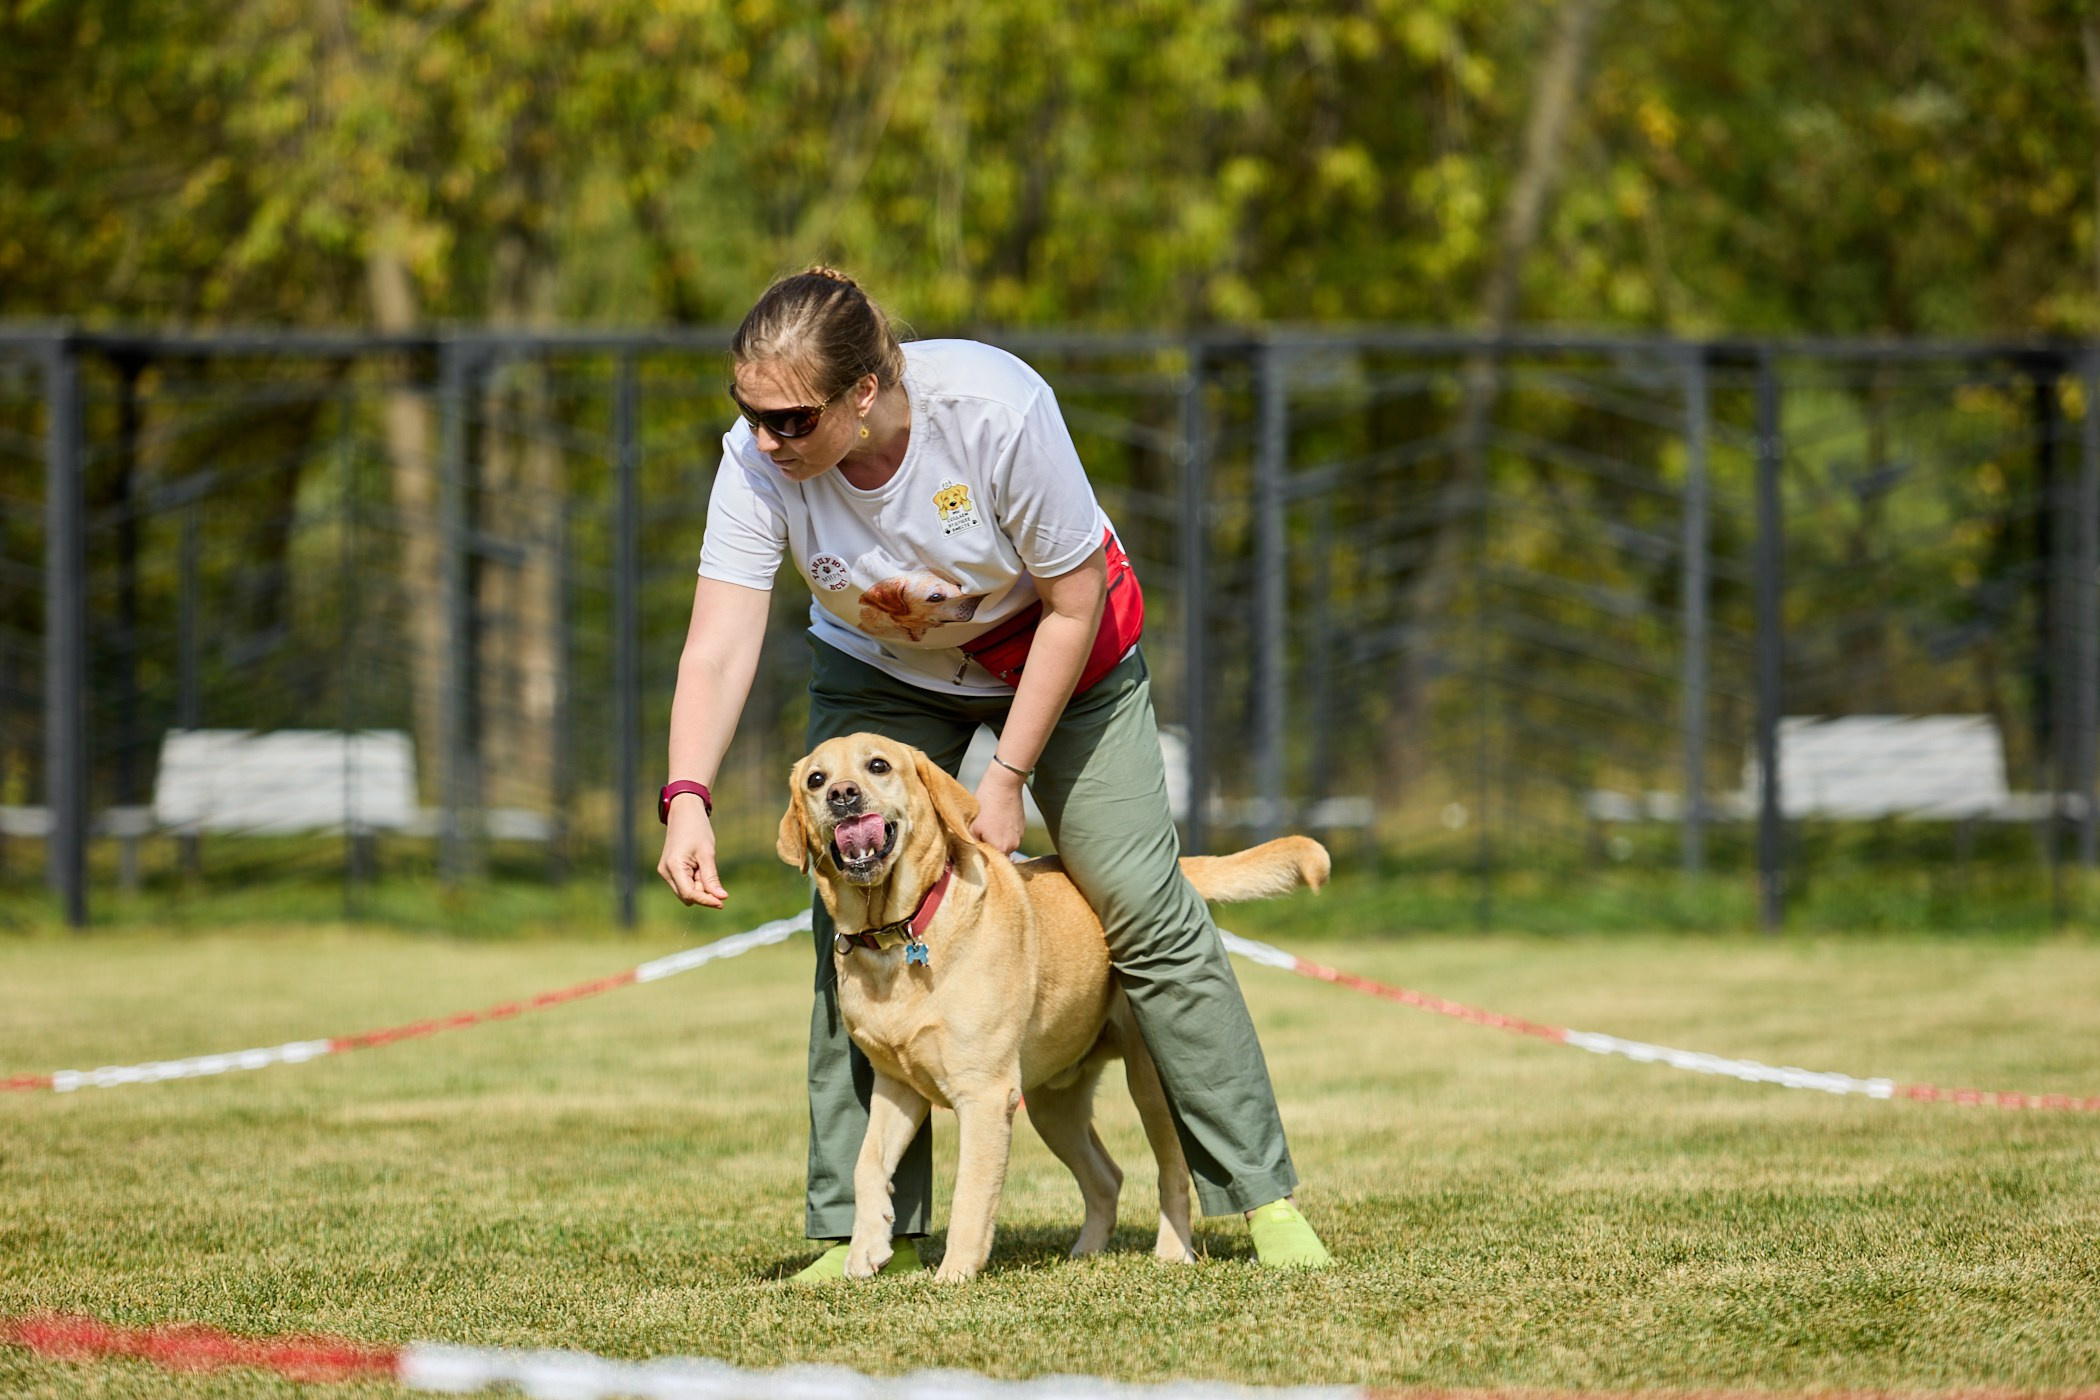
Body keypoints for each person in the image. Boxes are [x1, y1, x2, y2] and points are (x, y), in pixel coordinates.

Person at [657, 267, 1331, 1278]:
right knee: (846, 913)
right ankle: (859, 1230)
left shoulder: (996, 410)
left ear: (864, 395)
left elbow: (1075, 602)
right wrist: (687, 796)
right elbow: (716, 645)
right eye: (748, 412)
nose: (765, 439)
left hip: (1062, 651)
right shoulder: (756, 468)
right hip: (883, 663)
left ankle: (1260, 1197)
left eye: (791, 418)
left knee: (1141, 902)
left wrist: (1007, 770)